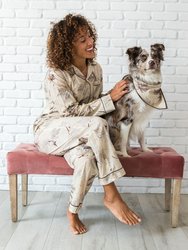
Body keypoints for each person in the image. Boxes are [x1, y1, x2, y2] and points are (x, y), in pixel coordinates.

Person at [33, 13, 141, 235]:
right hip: (52, 131)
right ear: (67, 46)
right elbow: (71, 112)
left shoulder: (96, 69)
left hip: (83, 133)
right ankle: (111, 194)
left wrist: (118, 97)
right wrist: (108, 99)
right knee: (95, 124)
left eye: (90, 36)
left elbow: (92, 105)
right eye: (82, 40)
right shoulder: (57, 75)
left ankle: (72, 211)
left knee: (86, 160)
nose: (90, 42)